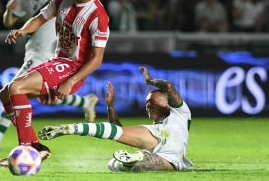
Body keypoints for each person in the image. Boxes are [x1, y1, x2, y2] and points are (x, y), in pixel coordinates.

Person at [0, 0, 99, 159]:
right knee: (8, 93)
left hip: (50, 56)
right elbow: (22, 19)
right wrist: (16, 22)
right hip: (39, 54)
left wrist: (72, 79)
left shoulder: (94, 12)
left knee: (15, 90)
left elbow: (97, 58)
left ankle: (11, 145)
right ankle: (38, 144)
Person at [39, 67, 193, 172]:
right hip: (173, 158)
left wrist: (149, 81)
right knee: (118, 165)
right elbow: (119, 132)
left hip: (171, 135)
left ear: (166, 103)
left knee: (118, 150)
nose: (148, 105)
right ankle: (138, 158)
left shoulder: (179, 112)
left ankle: (73, 128)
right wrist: (110, 107)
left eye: (152, 101)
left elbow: (169, 86)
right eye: (146, 103)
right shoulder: (159, 123)